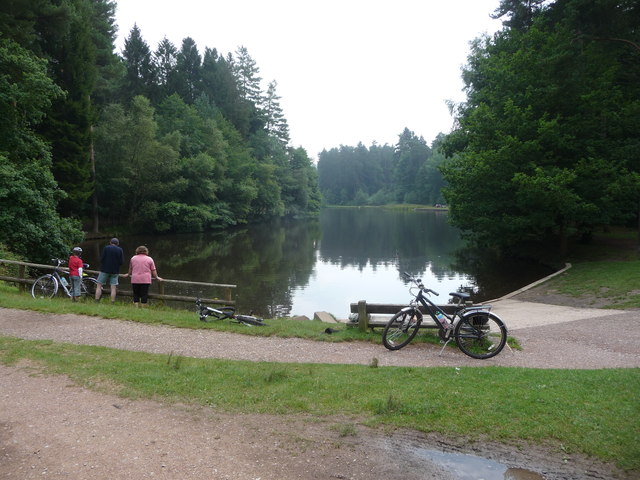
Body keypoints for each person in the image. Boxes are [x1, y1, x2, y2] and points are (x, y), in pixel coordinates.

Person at [95, 237, 124, 303]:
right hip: (115, 271)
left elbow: (102, 259)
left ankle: (96, 300)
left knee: (99, 285)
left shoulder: (106, 248)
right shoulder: (120, 250)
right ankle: (112, 301)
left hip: (105, 269)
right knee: (113, 287)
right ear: (118, 243)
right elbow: (121, 262)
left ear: (110, 242)